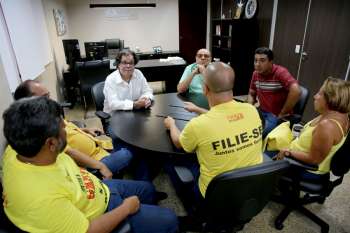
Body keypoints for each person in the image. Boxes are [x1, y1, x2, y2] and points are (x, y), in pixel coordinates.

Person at [2, 97, 178, 233]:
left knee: (147, 189)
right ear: (51, 144)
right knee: (170, 220)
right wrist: (126, 208)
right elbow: (88, 230)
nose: (67, 129)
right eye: (63, 128)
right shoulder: (42, 199)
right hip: (101, 211)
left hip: (98, 186)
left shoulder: (17, 149)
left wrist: (100, 167)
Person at [164, 62, 263, 209]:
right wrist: (198, 109)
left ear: (205, 89)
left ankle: (192, 207)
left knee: (171, 160)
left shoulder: (199, 125)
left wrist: (171, 124)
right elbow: (226, 119)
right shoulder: (251, 110)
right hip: (250, 186)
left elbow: (179, 143)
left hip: (213, 195)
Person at [13, 80, 132, 178]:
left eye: (48, 95)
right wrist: (100, 166)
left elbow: (67, 125)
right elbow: (70, 152)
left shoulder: (47, 113)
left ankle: (142, 180)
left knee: (130, 147)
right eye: (45, 97)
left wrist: (86, 130)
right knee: (129, 152)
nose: (50, 100)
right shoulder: (40, 128)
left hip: (100, 148)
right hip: (93, 164)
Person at [271, 77, 350, 181]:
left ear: (331, 99)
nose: (315, 96)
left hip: (305, 168)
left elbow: (313, 160)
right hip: (298, 153)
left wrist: (288, 152)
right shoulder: (340, 115)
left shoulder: (327, 126)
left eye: (320, 94)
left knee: (261, 159)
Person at [248, 47, 301, 137]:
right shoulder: (256, 74)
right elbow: (251, 93)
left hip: (275, 115)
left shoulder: (280, 72)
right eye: (255, 60)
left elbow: (296, 91)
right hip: (262, 111)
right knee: (242, 127)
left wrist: (282, 113)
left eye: (262, 60)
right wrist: (249, 108)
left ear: (271, 62)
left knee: (255, 135)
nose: (257, 64)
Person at [103, 49, 153, 113]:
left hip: (134, 112)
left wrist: (146, 98)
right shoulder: (111, 79)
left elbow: (147, 91)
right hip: (114, 115)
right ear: (118, 64)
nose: (128, 66)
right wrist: (134, 104)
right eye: (124, 62)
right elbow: (113, 104)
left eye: (131, 63)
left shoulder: (138, 74)